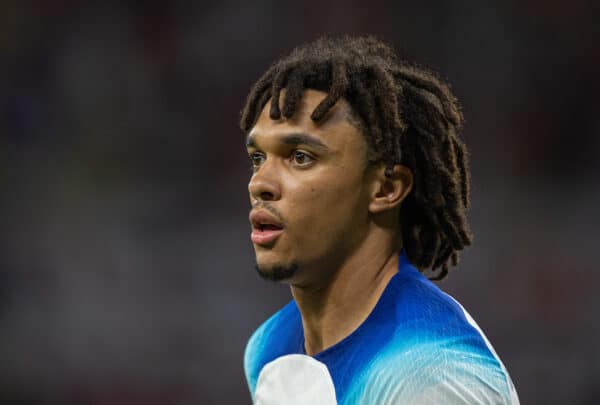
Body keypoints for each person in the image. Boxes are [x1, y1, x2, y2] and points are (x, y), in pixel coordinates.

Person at [241, 35, 519, 404]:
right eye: (258, 158)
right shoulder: (268, 347)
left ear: (386, 189)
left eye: (301, 157)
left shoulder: (430, 377)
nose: (260, 183)